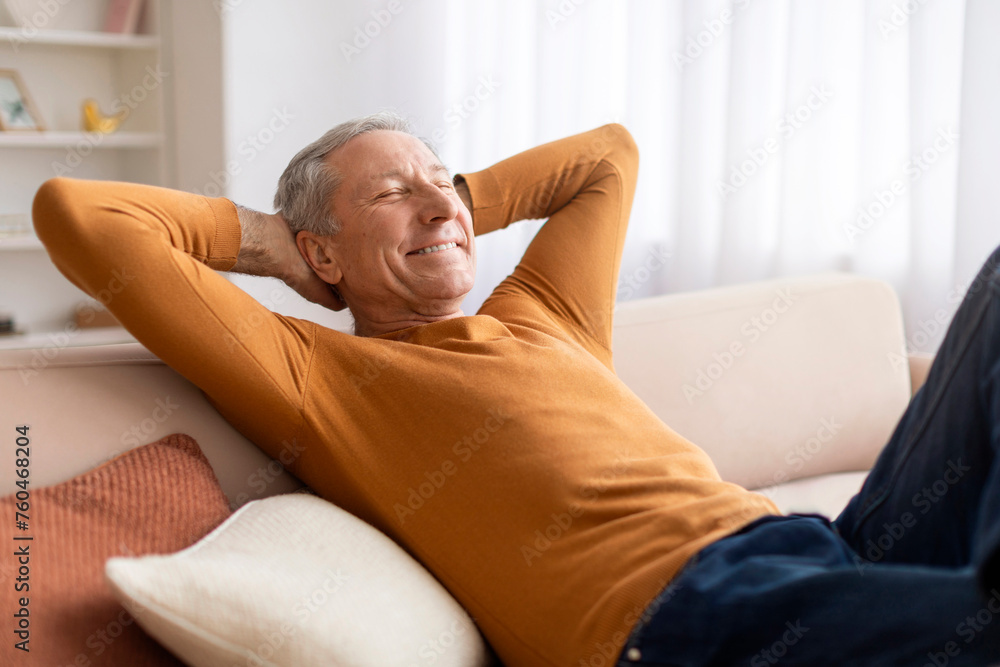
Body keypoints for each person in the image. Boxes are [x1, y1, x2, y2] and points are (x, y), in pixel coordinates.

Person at [30, 111, 1000, 667]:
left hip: (821, 546)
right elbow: (78, 212)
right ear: (323, 249)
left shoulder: (543, 309)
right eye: (387, 194)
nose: (435, 200)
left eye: (439, 177)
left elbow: (606, 156)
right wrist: (273, 244)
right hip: (691, 624)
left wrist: (448, 203)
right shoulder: (322, 377)